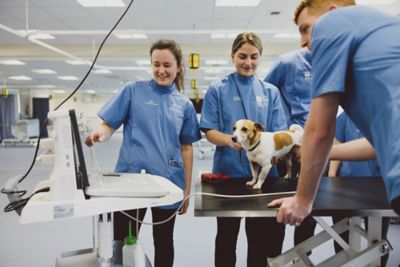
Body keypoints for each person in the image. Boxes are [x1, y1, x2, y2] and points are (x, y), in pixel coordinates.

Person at [268, 0, 400, 225]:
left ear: (331, 12)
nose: (302, 42)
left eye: (305, 28)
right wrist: (316, 153)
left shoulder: (333, 22)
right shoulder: (384, 34)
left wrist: (302, 199)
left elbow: (321, 129)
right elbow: (375, 146)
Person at [85, 39, 201, 267]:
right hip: (131, 182)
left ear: (178, 67)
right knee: (123, 240)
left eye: (167, 65)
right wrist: (100, 133)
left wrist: (186, 189)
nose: (161, 70)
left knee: (164, 241)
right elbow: (109, 125)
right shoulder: (133, 91)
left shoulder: (184, 105)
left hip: (168, 184)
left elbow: (186, 147)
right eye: (156, 64)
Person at [200, 32, 287, 267]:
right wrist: (230, 141)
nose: (248, 62)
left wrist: (278, 155)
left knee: (259, 239)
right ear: (232, 56)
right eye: (242, 56)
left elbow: (278, 133)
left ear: (260, 57)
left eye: (254, 56)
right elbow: (209, 130)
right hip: (228, 175)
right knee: (226, 238)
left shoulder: (270, 92)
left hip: (264, 180)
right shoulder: (217, 90)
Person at [264, 48, 316, 251]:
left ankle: (302, 259)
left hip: (314, 146)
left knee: (307, 212)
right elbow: (266, 95)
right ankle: (273, 259)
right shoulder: (286, 62)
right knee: (277, 206)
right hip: (285, 144)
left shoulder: (334, 61)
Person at [328, 112, 389, 266]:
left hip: (379, 186)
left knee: (378, 237)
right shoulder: (345, 117)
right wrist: (331, 176)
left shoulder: (388, 117)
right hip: (347, 185)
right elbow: (337, 146)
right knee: (342, 235)